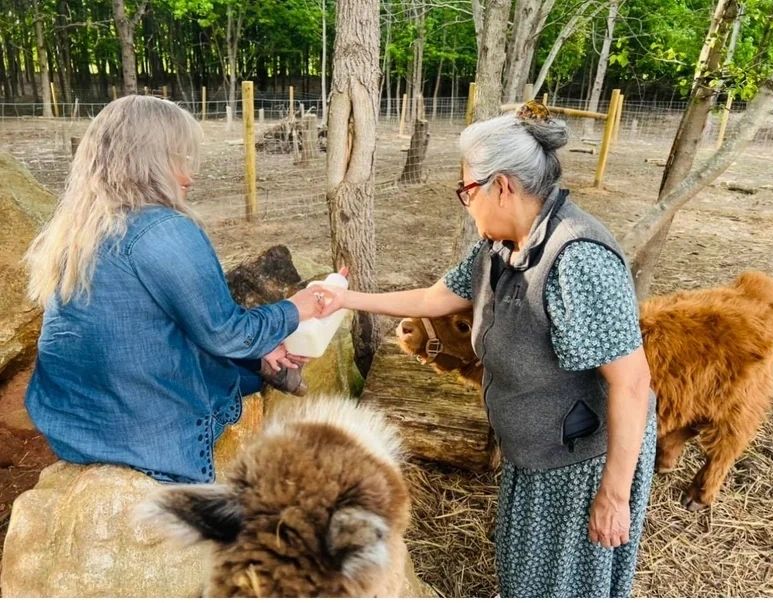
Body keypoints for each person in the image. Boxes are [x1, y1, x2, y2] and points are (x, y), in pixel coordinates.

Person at [320, 101, 656, 597]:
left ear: (502, 186)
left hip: (581, 464)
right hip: (534, 452)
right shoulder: (501, 247)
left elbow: (631, 383)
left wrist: (614, 493)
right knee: (526, 575)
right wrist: (343, 299)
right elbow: (437, 298)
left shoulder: (578, 258)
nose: (465, 202)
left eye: (466, 191)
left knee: (564, 584)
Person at [24, 95, 328, 484]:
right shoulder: (163, 229)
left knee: (230, 350)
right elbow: (224, 331)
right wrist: (295, 309)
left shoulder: (78, 226)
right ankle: (263, 366)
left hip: (69, 423)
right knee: (229, 360)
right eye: (180, 158)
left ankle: (263, 360)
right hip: (141, 431)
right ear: (151, 160)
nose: (189, 175)